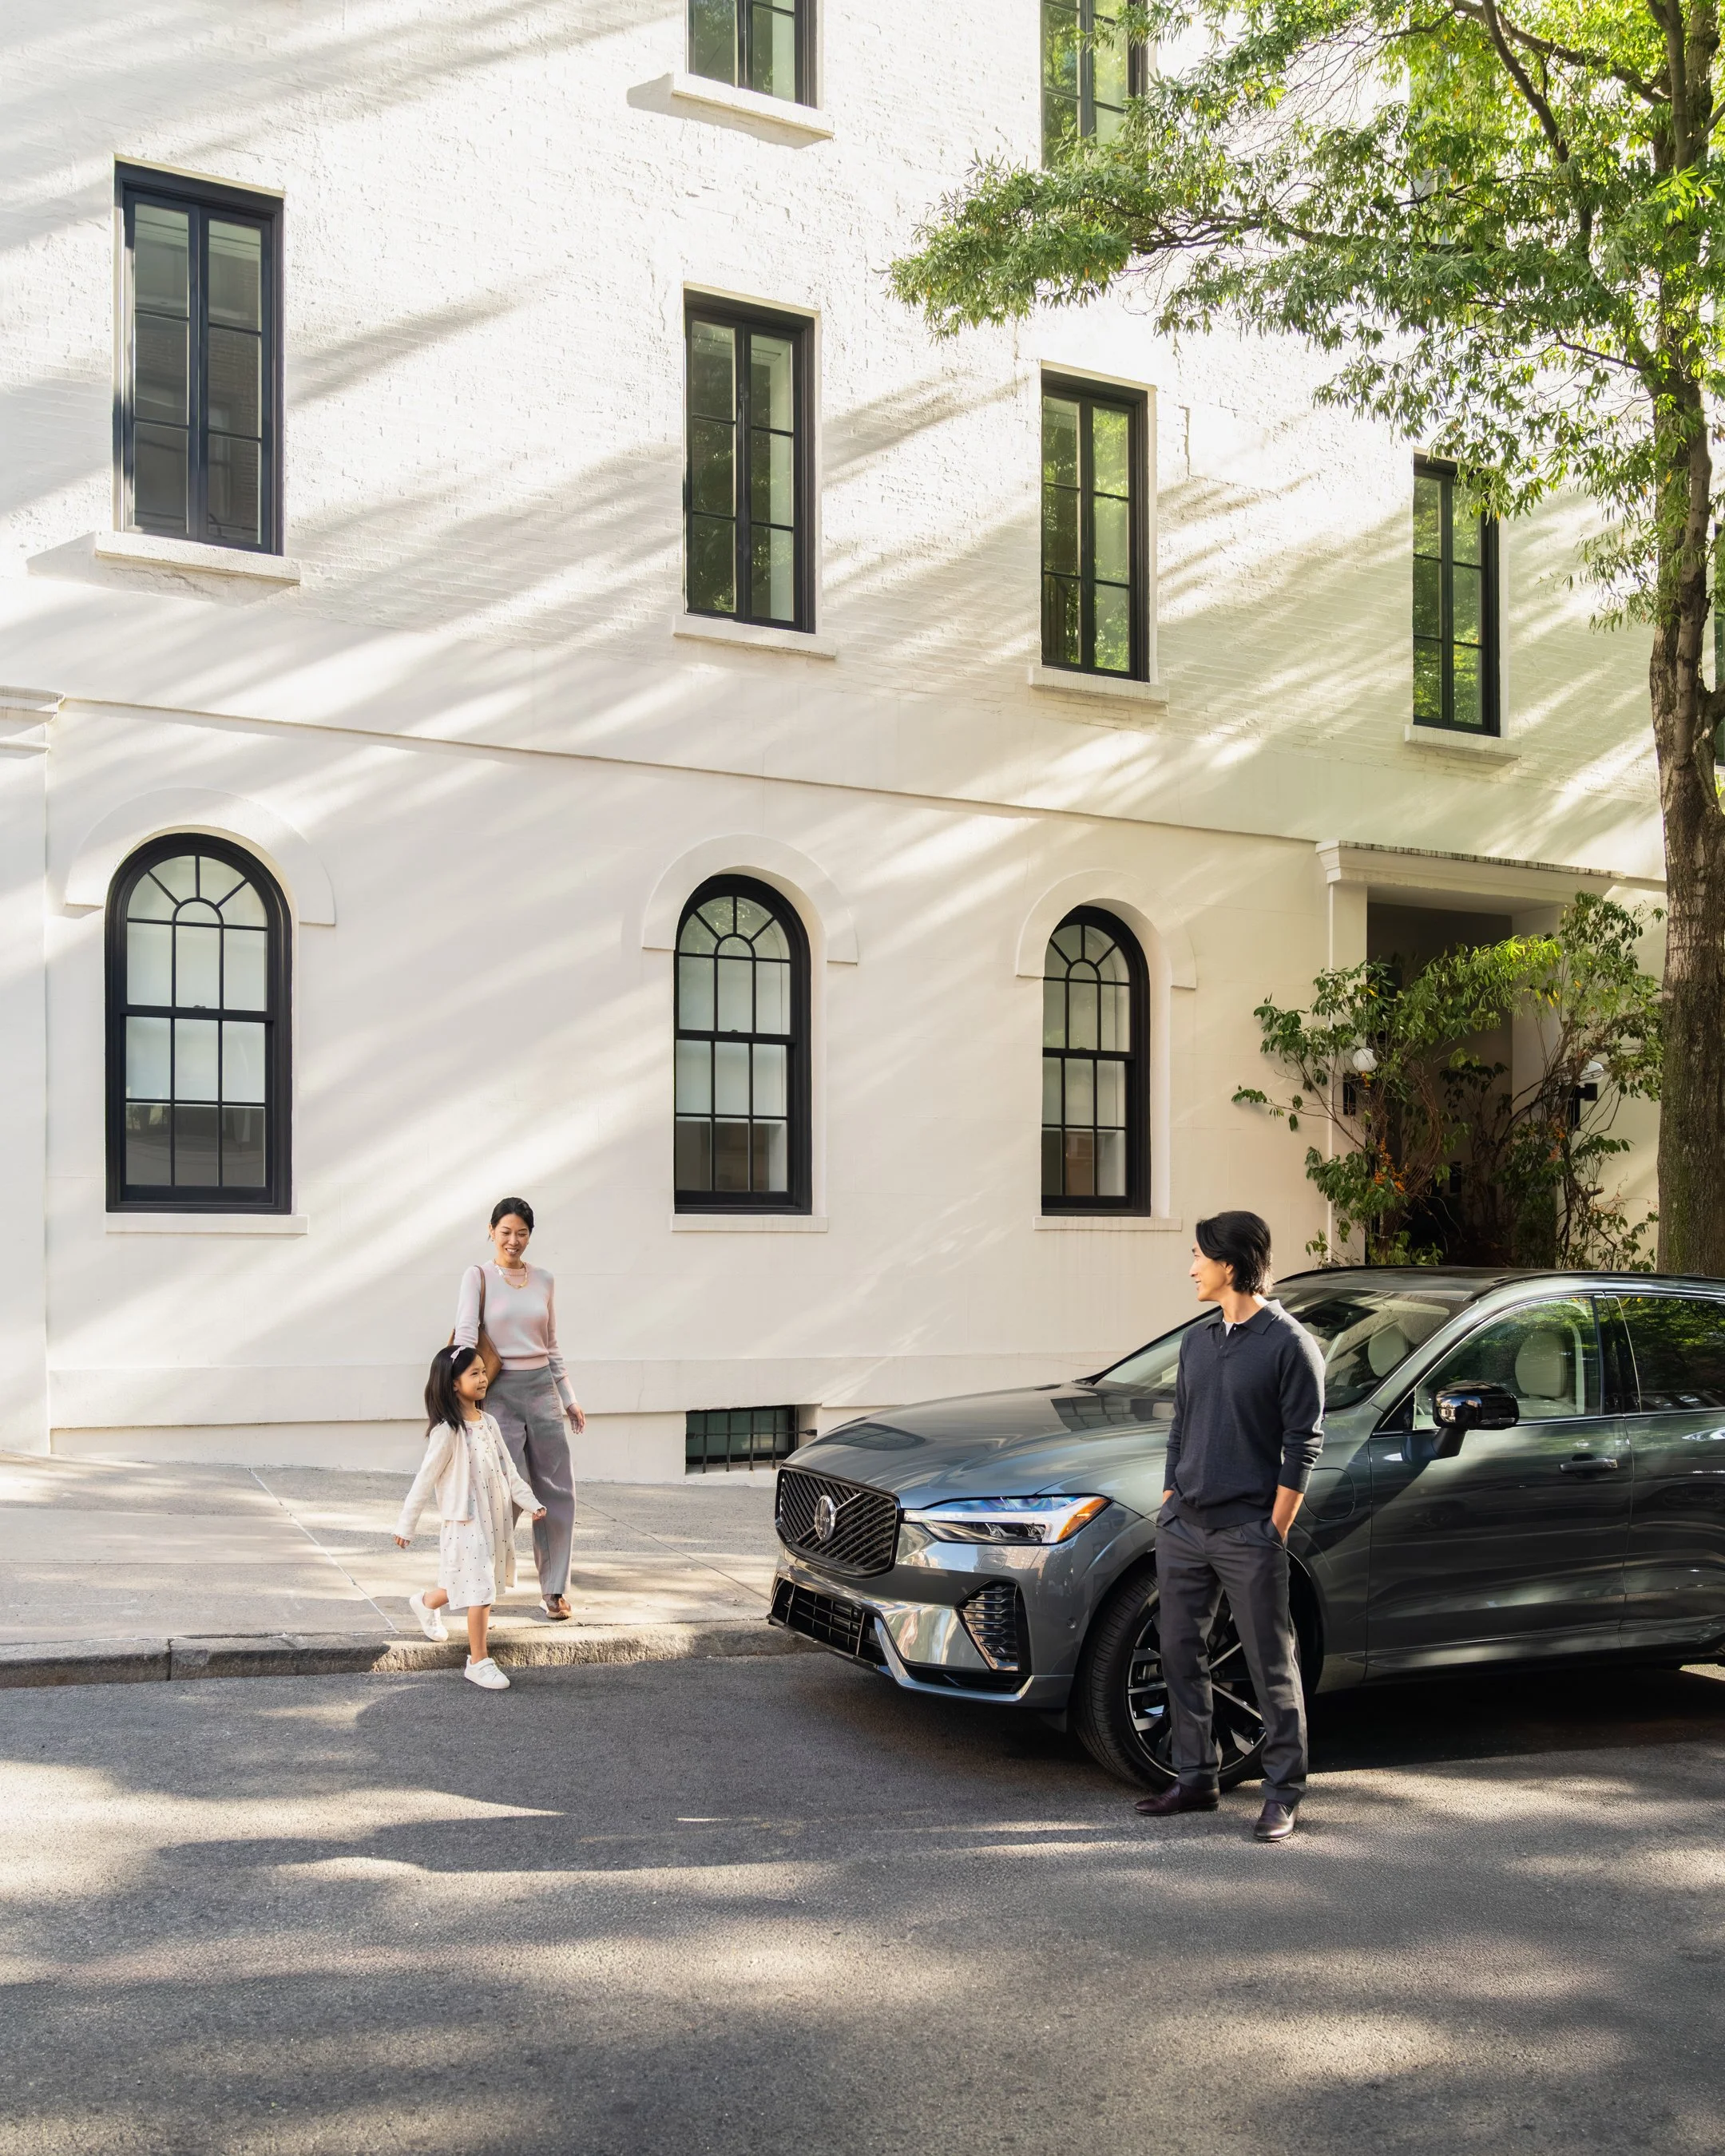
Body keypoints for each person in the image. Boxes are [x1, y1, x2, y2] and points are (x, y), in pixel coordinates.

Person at [1137, 1210, 1325, 1842]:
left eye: (1198, 1255)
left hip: (1248, 1532)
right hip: (1184, 1526)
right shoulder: (1197, 1341)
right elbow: (1180, 1427)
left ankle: (1283, 1792)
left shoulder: (1290, 1345)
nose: (1190, 1268)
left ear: (1231, 1262)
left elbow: (1304, 1444)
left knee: (1272, 1663)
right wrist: (1171, 1495)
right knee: (1179, 1651)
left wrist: (1273, 1528)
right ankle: (1197, 1778)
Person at [452, 1197, 586, 1619]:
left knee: (557, 1492)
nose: (514, 1241)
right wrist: (462, 1400)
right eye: (506, 1232)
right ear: (491, 1231)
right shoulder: (478, 1277)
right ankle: (479, 1583)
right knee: (502, 1493)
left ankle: (554, 1590)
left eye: (522, 1233)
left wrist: (569, 1398)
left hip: (542, 1389)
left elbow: (552, 1345)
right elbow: (465, 1339)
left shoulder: (544, 1279)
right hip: (499, 1392)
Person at [395, 1343, 545, 1690]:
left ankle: (423, 1602)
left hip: (494, 1521)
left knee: (462, 1583)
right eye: (473, 1373)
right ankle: (478, 1661)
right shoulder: (447, 1432)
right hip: (466, 1522)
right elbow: (424, 1480)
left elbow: (510, 1472)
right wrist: (406, 1524)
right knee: (480, 1591)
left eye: (483, 1371)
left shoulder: (489, 1423)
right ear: (452, 1383)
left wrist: (531, 1502)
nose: (482, 1379)